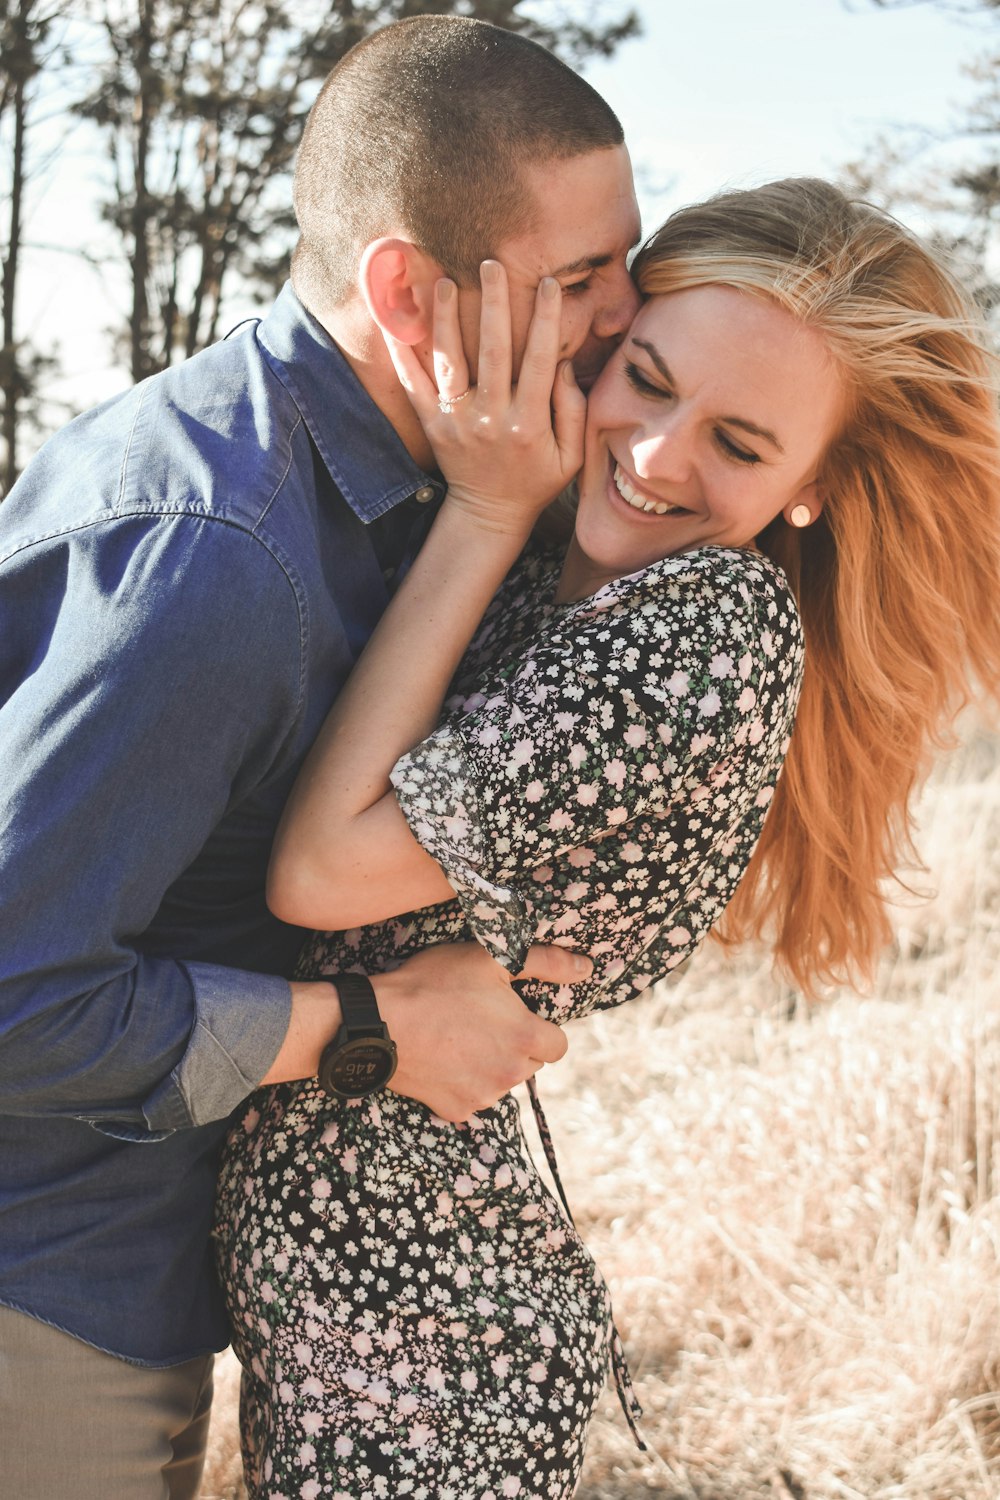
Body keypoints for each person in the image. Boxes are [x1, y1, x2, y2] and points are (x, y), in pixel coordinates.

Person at [214, 178, 1000, 1496]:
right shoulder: (557, 565)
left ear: (812, 490)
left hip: (421, 1332)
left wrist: (480, 508)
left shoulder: (701, 629)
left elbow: (321, 873)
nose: (654, 454)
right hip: (351, 1288)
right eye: (645, 378)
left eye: (741, 447)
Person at [0, 18, 643, 1499]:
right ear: (408, 290)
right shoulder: (216, 553)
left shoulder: (424, 481)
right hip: (45, 1291)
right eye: (578, 280)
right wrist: (368, 1026)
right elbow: (19, 990)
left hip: (150, 1264)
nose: (629, 310)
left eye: (631, 254)